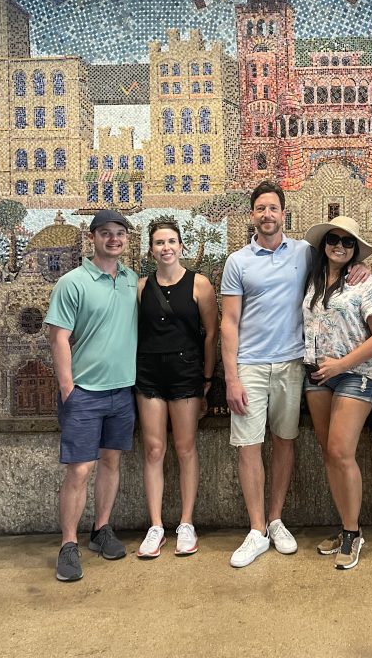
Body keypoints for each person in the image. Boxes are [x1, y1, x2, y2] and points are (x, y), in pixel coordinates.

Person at [220, 182, 368, 568]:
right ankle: (255, 530)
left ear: (284, 214)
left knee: (285, 441)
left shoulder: (305, 252)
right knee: (249, 445)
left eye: (273, 208)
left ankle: (275, 520)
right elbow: (229, 322)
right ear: (251, 215)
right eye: (260, 209)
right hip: (250, 363)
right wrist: (231, 377)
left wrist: (359, 265)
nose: (267, 215)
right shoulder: (237, 262)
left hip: (291, 363)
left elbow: (341, 259)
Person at [45, 209, 138, 582]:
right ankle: (69, 544)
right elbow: (57, 337)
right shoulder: (72, 282)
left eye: (120, 233)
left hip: (122, 391)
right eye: (106, 233)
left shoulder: (131, 279)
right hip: (84, 393)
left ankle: (101, 530)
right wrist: (68, 388)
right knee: (80, 470)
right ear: (93, 238)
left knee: (111, 463)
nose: (113, 239)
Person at [302, 217, 372, 570]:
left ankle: (353, 532)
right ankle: (345, 525)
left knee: (341, 450)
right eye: (333, 239)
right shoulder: (313, 278)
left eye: (348, 242)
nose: (340, 246)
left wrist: (342, 364)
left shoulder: (366, 283)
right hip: (317, 373)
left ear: (356, 249)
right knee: (329, 454)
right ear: (324, 244)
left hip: (355, 374)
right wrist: (328, 368)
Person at [134, 220, 218, 559]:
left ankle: (186, 523)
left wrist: (207, 380)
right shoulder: (140, 287)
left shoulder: (200, 285)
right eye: (158, 242)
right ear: (151, 249)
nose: (165, 247)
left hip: (186, 375)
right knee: (154, 449)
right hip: (149, 374)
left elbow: (212, 334)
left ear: (181, 246)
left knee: (185, 448)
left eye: (171, 241)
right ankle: (155, 525)